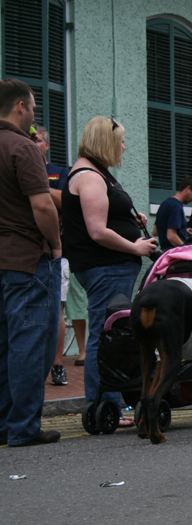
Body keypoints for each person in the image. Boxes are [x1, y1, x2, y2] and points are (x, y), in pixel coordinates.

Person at [61, 116, 157, 420]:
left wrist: (130, 220)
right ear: (106, 142)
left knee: (110, 331)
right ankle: (104, 405)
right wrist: (135, 247)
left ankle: (109, 403)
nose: (124, 148)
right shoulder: (90, 177)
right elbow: (97, 231)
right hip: (105, 266)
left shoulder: (96, 173)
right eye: (121, 142)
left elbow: (103, 218)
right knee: (106, 335)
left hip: (108, 267)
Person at [0, 78, 62, 446]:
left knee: (3, 345)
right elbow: (42, 205)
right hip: (26, 258)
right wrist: (55, 245)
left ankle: (4, 424)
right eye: (33, 108)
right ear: (20, 106)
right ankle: (23, 426)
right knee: (29, 343)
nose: (34, 115)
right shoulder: (23, 147)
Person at [34, 124, 70, 386]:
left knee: (56, 308)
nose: (33, 144)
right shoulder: (16, 165)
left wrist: (37, 188)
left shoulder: (59, 172)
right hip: (25, 251)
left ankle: (57, 364)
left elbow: (67, 201)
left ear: (46, 145)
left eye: (38, 140)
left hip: (56, 251)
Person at [154, 177, 192, 250]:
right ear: (188, 188)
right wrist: (187, 249)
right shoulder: (176, 207)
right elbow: (171, 236)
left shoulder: (165, 204)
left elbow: (156, 231)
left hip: (166, 252)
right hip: (175, 252)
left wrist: (182, 231)